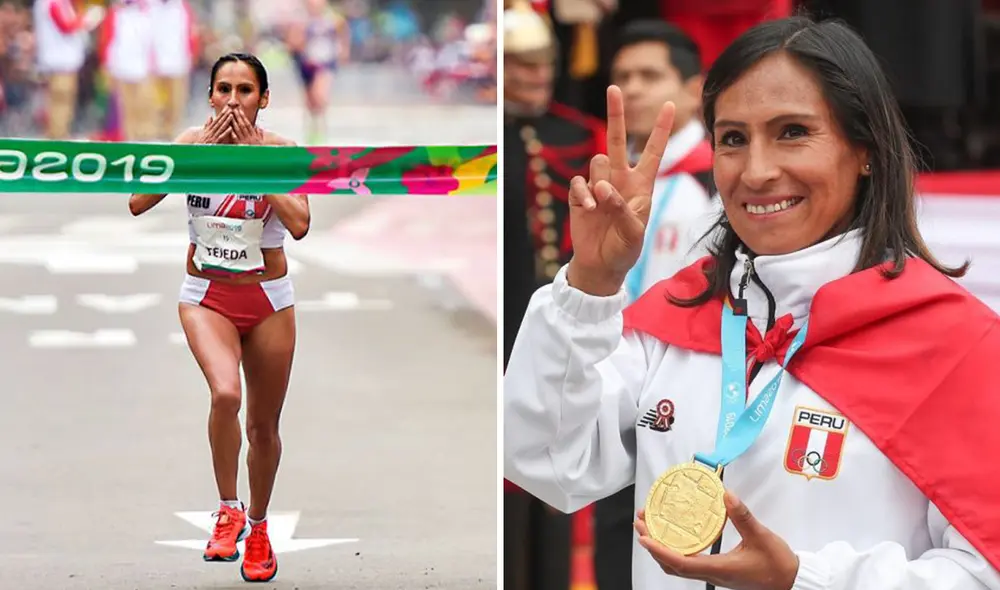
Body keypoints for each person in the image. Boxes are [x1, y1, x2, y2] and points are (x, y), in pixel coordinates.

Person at [504, 15, 1000, 590]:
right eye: (734, 139)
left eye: (792, 131)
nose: (758, 172)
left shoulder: (954, 343)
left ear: (866, 150)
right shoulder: (681, 312)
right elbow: (547, 462)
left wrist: (802, 579)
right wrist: (587, 285)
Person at [128, 52, 311, 584]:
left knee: (263, 426)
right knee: (226, 395)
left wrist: (257, 163)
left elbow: (299, 223)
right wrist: (196, 159)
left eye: (246, 90)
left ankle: (257, 527)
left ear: (264, 98)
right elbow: (138, 200)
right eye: (224, 89)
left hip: (269, 300)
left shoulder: (280, 151)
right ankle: (228, 508)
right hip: (206, 295)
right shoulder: (191, 143)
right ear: (210, 96)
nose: (234, 101)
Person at [592, 19, 719, 590]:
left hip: (684, 396)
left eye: (650, 75)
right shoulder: (614, 180)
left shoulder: (721, 182)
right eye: (622, 77)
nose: (634, 88)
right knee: (612, 541)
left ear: (694, 88)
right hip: (616, 382)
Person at [502, 3, 607, 588]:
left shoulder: (577, 134)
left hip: (558, 328)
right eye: (520, 65)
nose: (535, 76)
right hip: (506, 318)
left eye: (543, 65)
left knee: (555, 486)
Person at [285, 0, 350, 145]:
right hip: (305, 63)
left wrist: (343, 51)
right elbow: (291, 44)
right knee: (309, 101)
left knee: (320, 96)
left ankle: (321, 130)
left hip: (324, 63)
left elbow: (343, 32)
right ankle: (312, 130)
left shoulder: (332, 19)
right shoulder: (300, 20)